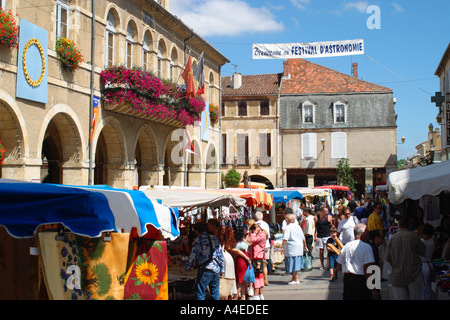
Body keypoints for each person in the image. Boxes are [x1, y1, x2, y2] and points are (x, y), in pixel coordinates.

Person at [181, 221, 224, 300]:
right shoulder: (214, 238)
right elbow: (220, 255)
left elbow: (193, 256)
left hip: (205, 270)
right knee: (215, 294)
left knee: (200, 293)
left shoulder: (199, 239)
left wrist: (186, 268)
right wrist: (222, 269)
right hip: (216, 270)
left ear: (196, 231)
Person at [385, 217, 426, 300]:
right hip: (413, 273)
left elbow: (388, 258)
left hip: (397, 274)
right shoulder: (414, 236)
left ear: (399, 225)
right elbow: (423, 251)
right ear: (409, 225)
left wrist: (394, 267)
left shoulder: (392, 238)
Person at [336, 224, 378, 300]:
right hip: (360, 281)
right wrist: (373, 289)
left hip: (347, 280)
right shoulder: (366, 247)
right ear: (363, 234)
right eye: (367, 233)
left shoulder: (346, 246)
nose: (368, 235)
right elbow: (367, 270)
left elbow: (339, 266)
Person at [282, 213, 306, 285]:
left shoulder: (288, 227)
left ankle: (296, 279)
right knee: (295, 262)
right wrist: (305, 245)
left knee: (292, 263)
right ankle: (293, 278)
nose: (285, 221)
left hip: (292, 247)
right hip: (298, 246)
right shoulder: (298, 226)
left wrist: (282, 247)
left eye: (286, 219)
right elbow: (303, 237)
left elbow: (285, 238)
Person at [248, 223, 267, 300]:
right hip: (258, 257)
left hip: (257, 258)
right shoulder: (261, 235)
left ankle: (256, 295)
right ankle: (260, 294)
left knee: (257, 276)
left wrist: (253, 233)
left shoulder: (261, 235)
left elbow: (252, 240)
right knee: (259, 276)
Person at [419, 224, 435, 300]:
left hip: (423, 264)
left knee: (423, 286)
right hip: (429, 264)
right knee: (427, 285)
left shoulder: (420, 242)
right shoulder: (432, 242)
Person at [255, 211, 270, 286]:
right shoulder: (266, 224)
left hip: (257, 247)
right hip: (266, 245)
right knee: (264, 263)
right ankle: (266, 279)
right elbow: (268, 236)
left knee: (257, 263)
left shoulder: (255, 224)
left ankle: (259, 280)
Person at [315, 206, 333, 270]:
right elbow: (315, 227)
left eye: (327, 211)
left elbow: (332, 225)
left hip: (327, 235)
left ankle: (328, 264)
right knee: (321, 251)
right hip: (320, 236)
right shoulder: (317, 217)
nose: (327, 212)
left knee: (328, 250)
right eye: (326, 211)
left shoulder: (329, 217)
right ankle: (322, 265)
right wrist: (315, 235)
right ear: (322, 212)